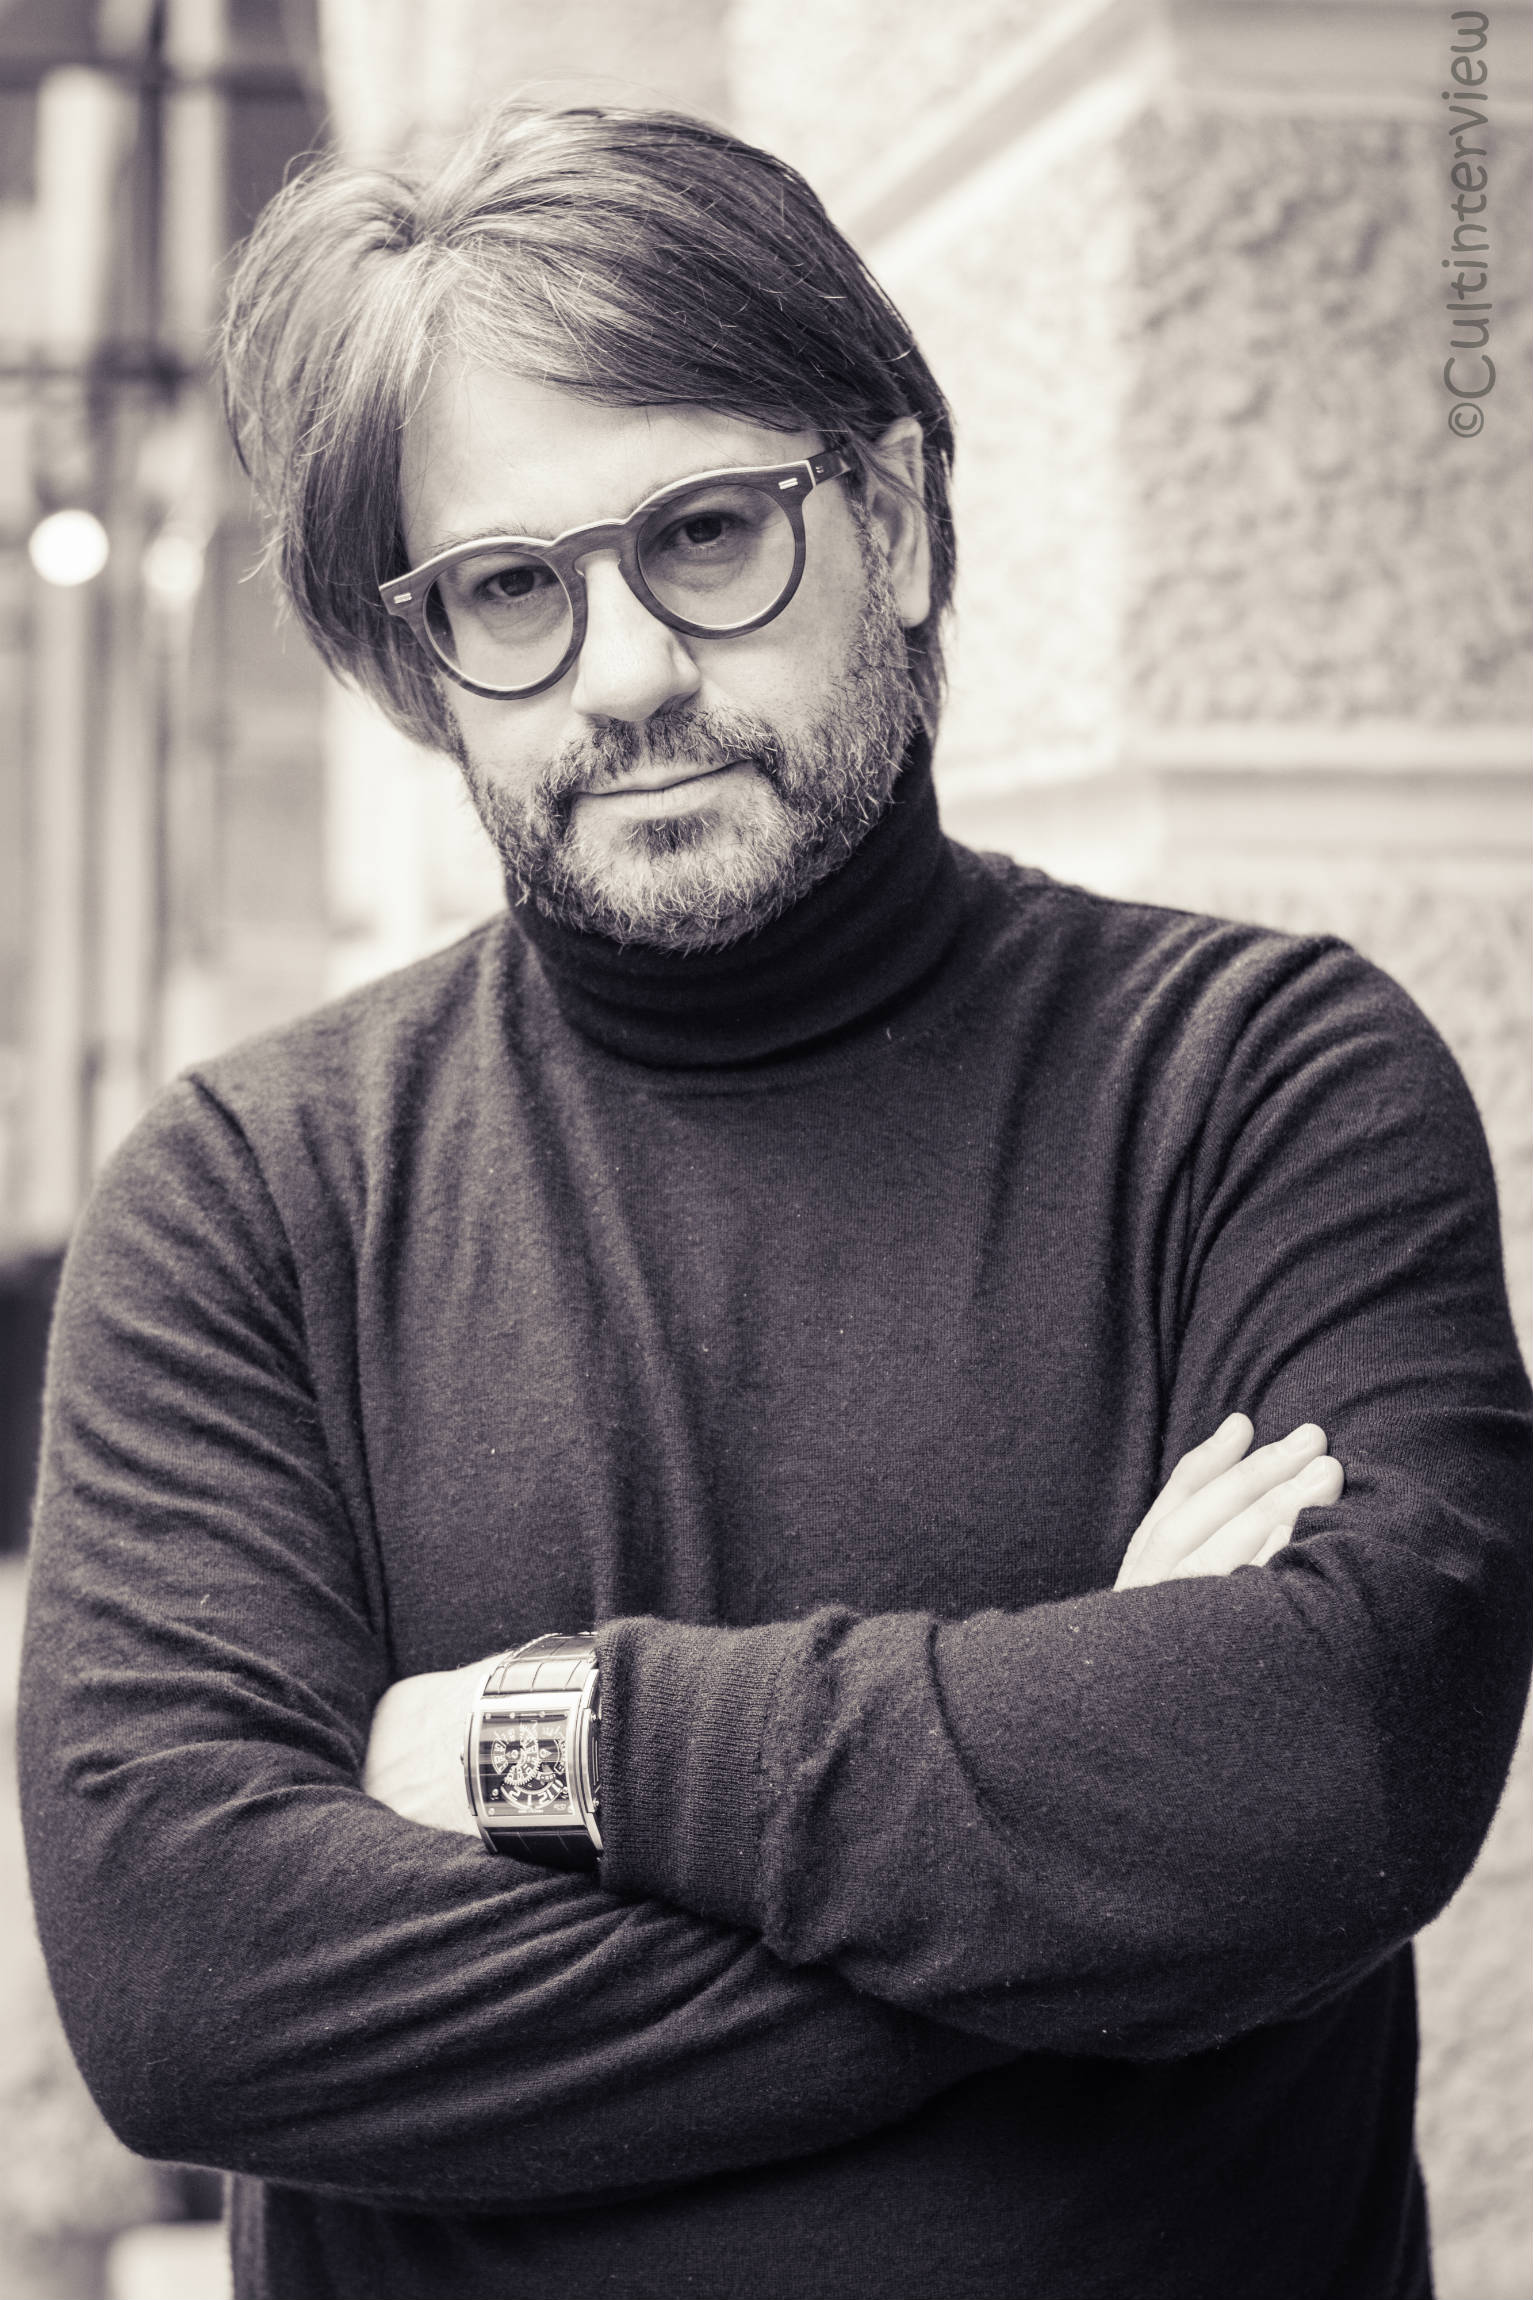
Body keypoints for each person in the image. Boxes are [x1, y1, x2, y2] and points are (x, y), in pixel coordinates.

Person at [18, 101, 1531, 2300]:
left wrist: (553, 1740)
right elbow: (189, 1989)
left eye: (708, 533)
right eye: (512, 590)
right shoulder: (253, 1203)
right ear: (424, 666)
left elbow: (1331, 1778)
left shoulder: (1258, 1086)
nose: (627, 671)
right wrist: (1092, 1909)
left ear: (892, 518)